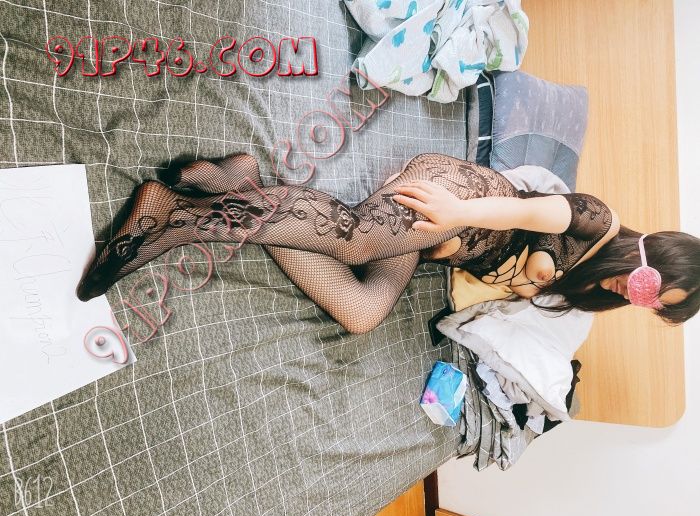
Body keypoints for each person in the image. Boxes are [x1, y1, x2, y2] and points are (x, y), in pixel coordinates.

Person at [76, 153, 700, 334]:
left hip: (441, 238)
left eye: (651, 304)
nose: (636, 294)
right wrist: (458, 212)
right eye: (651, 284)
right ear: (656, 254)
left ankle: (243, 185)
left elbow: (489, 268)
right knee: (354, 243)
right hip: (458, 194)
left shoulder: (590, 293)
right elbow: (529, 209)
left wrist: (459, 259)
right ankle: (177, 215)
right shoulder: (599, 221)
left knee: (366, 312)